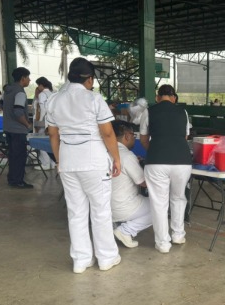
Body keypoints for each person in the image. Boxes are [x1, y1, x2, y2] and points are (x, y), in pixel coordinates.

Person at [46, 57, 122, 273]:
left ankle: (81, 260)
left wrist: (59, 160)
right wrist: (116, 158)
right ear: (89, 79)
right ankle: (106, 257)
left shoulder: (54, 100)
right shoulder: (94, 99)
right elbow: (107, 133)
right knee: (100, 211)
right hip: (93, 161)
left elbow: (53, 134)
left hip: (67, 160)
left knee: (76, 212)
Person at [140, 84, 192, 254]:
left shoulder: (149, 111)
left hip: (156, 161)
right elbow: (185, 136)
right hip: (182, 161)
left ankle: (163, 243)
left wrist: (156, 151)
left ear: (157, 97)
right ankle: (178, 235)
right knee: (178, 198)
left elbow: (143, 139)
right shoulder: (183, 112)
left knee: (159, 203)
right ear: (174, 98)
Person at [110, 120, 152, 248]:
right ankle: (125, 231)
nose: (134, 139)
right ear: (127, 136)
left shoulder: (105, 152)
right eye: (134, 136)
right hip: (122, 207)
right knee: (161, 207)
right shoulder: (127, 155)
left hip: (104, 207)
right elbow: (143, 183)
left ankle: (116, 224)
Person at [3, 67, 33, 189]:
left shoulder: (8, 91)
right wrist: (27, 124)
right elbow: (18, 112)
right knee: (19, 156)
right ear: (22, 78)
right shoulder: (20, 92)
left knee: (13, 155)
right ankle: (18, 181)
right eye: (28, 77)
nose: (29, 80)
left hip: (8, 128)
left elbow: (2, 105)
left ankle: (12, 179)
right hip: (18, 130)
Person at [33, 77, 56, 170]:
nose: (38, 87)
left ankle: (45, 163)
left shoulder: (42, 94)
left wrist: (39, 122)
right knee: (50, 143)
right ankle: (52, 162)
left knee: (41, 143)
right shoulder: (53, 94)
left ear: (41, 85)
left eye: (38, 85)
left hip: (44, 122)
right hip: (53, 122)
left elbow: (42, 110)